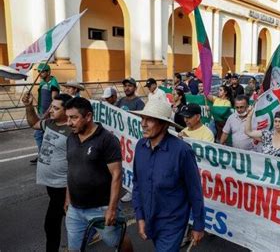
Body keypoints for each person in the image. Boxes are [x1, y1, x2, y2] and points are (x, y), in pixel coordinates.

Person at [130, 97, 205, 251]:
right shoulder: (140, 147)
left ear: (164, 124)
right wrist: (140, 217)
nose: (143, 124)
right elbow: (137, 183)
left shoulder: (182, 151)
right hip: (150, 219)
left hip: (172, 223)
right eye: (143, 118)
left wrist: (198, 225)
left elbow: (195, 191)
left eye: (149, 120)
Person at [64, 97, 133, 251]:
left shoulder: (107, 140)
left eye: (74, 118)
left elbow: (117, 175)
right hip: (75, 209)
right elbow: (71, 169)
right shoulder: (71, 138)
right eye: (68, 117)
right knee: (74, 249)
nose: (69, 123)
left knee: (118, 242)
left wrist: (112, 208)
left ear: (88, 116)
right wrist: (68, 198)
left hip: (101, 208)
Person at [23, 93, 73, 252]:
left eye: (56, 108)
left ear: (67, 111)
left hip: (62, 186)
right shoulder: (50, 123)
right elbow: (34, 123)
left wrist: (68, 194)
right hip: (51, 185)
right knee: (70, 219)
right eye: (51, 106)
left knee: (51, 224)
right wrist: (29, 106)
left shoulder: (72, 131)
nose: (51, 110)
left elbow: (76, 164)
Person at [32, 63, 60, 164]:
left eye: (42, 71)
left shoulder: (53, 83)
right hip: (41, 112)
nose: (40, 73)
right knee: (44, 135)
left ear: (48, 72)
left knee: (38, 134)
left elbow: (54, 101)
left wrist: (47, 113)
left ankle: (42, 155)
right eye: (39, 71)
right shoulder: (42, 82)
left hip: (47, 114)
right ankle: (43, 154)